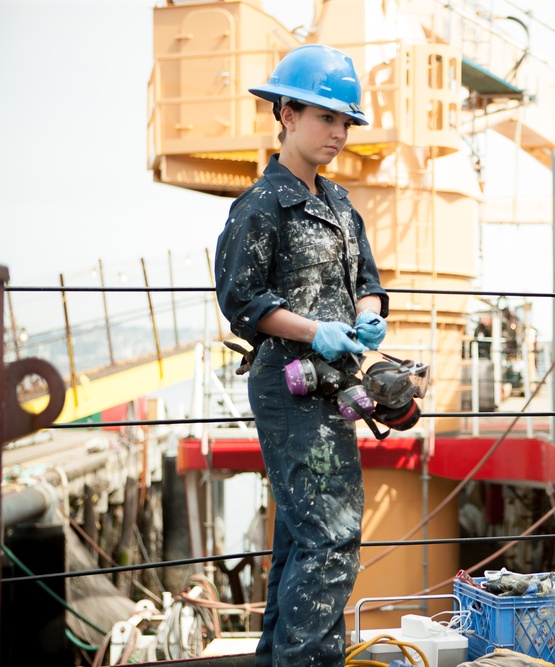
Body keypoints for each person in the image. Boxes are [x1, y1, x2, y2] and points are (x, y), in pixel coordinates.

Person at [214, 44, 389, 667]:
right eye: (326, 118)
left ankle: (277, 660)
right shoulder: (260, 207)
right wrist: (314, 331)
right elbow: (241, 299)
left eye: (346, 122)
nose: (339, 133)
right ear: (286, 114)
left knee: (298, 537)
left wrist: (366, 321)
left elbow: (368, 281)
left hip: (332, 385)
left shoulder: (339, 205)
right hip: (289, 386)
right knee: (331, 536)